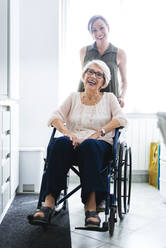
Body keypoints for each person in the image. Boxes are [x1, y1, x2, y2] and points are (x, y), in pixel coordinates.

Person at [28, 60, 127, 227]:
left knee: (89, 145)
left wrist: (100, 132)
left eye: (98, 74)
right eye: (90, 72)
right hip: (74, 144)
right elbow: (55, 117)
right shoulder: (73, 97)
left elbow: (121, 119)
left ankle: (91, 207)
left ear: (104, 81)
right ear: (83, 76)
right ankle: (49, 203)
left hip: (99, 145)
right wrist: (67, 133)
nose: (93, 76)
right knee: (59, 143)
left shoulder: (109, 98)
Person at [78, 15, 127, 108]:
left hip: (109, 103)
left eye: (101, 28)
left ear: (108, 28)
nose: (99, 33)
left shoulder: (119, 53)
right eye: (94, 30)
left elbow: (124, 81)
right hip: (86, 102)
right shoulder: (84, 51)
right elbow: (83, 78)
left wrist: (122, 97)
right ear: (91, 33)